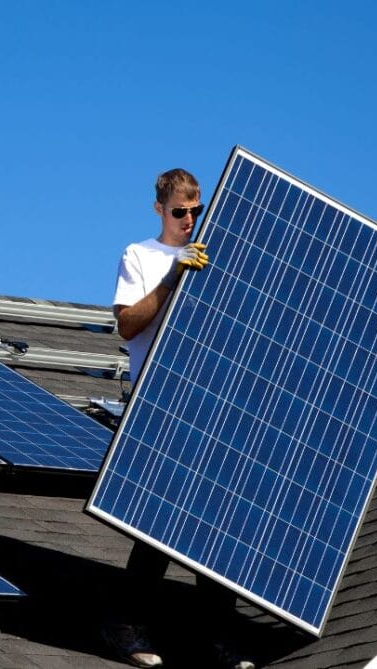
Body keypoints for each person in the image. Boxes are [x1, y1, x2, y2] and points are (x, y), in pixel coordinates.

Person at [103, 168, 253, 669]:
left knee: (217, 525)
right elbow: (127, 326)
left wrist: (376, 249)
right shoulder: (140, 255)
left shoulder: (218, 255)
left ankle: (219, 641)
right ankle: (127, 626)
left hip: (212, 402)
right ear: (160, 210)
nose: (189, 220)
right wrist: (173, 277)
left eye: (196, 210)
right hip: (159, 401)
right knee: (158, 524)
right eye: (179, 211)